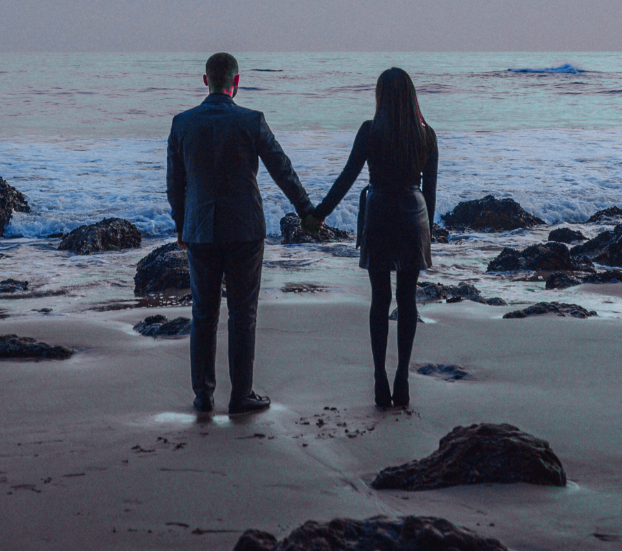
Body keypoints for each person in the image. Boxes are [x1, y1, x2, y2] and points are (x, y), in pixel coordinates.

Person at [166, 52, 316, 414]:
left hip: (200, 229)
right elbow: (282, 169)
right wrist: (307, 211)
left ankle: (203, 395)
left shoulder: (182, 123)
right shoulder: (252, 120)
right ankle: (241, 395)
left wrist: (181, 224)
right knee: (243, 313)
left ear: (206, 81)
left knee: (203, 314)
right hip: (245, 229)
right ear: (236, 81)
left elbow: (174, 184)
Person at [311, 67, 438, 409]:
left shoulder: (370, 131)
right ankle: (402, 378)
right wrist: (427, 232)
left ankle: (380, 378)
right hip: (413, 213)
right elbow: (430, 192)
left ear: (380, 96)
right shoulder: (426, 135)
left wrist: (319, 213)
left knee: (380, 299)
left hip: (380, 211)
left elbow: (347, 177)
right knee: (407, 299)